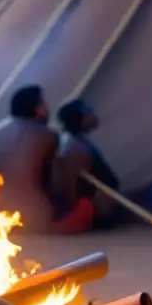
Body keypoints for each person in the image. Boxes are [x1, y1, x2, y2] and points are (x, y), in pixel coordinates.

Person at [0, 85, 59, 233]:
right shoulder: (49, 135)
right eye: (44, 104)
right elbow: (57, 178)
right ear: (38, 109)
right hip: (36, 217)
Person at [52, 99, 120, 232]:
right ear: (81, 118)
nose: (94, 114)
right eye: (89, 111)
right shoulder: (73, 145)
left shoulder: (75, 141)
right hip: (89, 211)